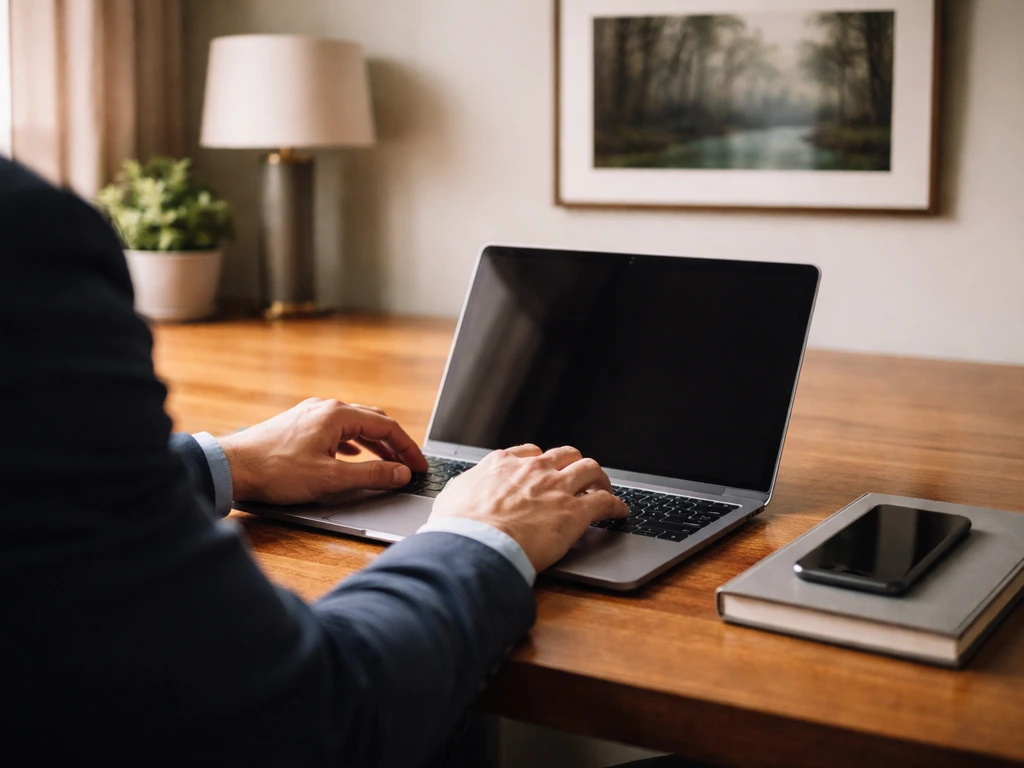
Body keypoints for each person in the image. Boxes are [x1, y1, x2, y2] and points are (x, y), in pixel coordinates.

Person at [0, 156, 631, 766]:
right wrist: (481, 536)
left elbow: (35, 493)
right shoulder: (24, 234)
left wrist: (227, 462)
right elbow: (314, 720)